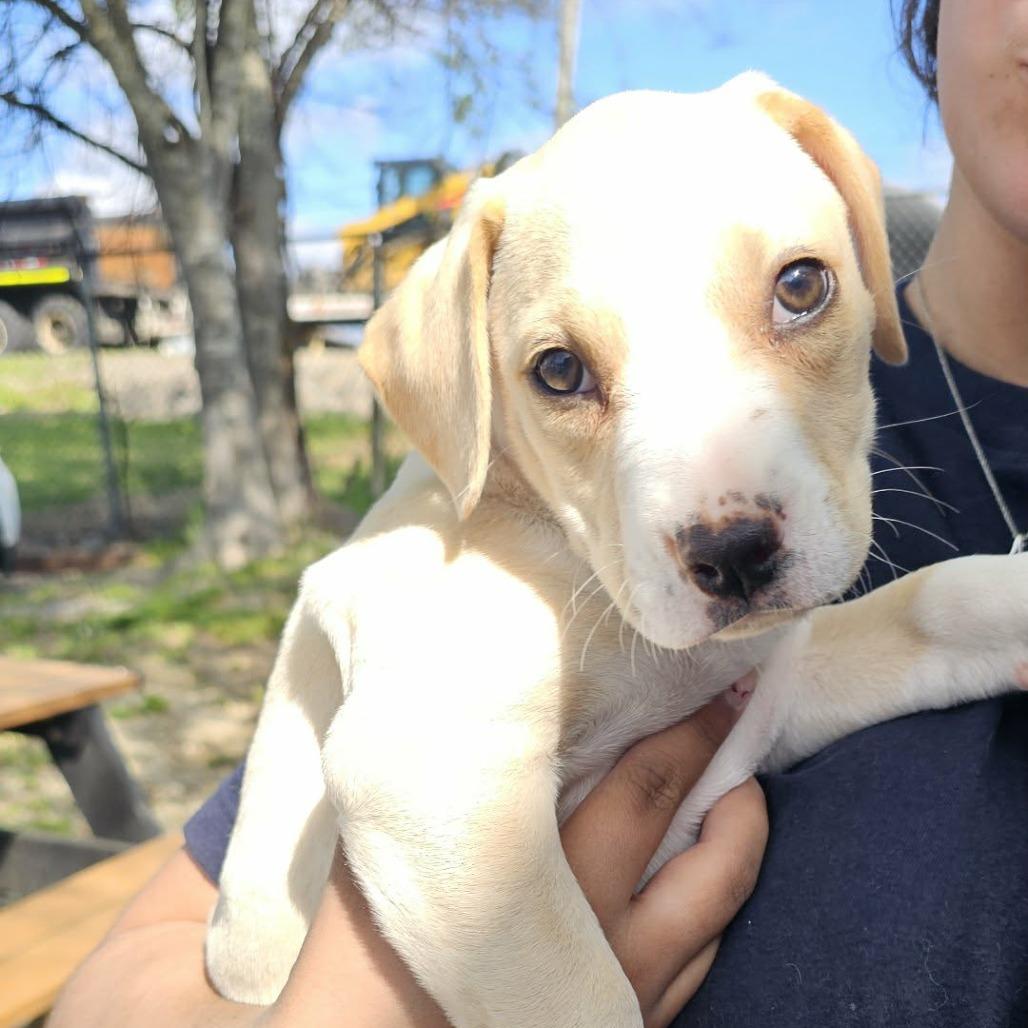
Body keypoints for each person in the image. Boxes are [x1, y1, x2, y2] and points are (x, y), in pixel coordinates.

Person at [50, 1, 1028, 1024]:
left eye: (795, 292)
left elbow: (769, 687)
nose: (722, 517)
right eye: (562, 370)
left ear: (861, 236)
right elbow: (414, 779)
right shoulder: (479, 559)